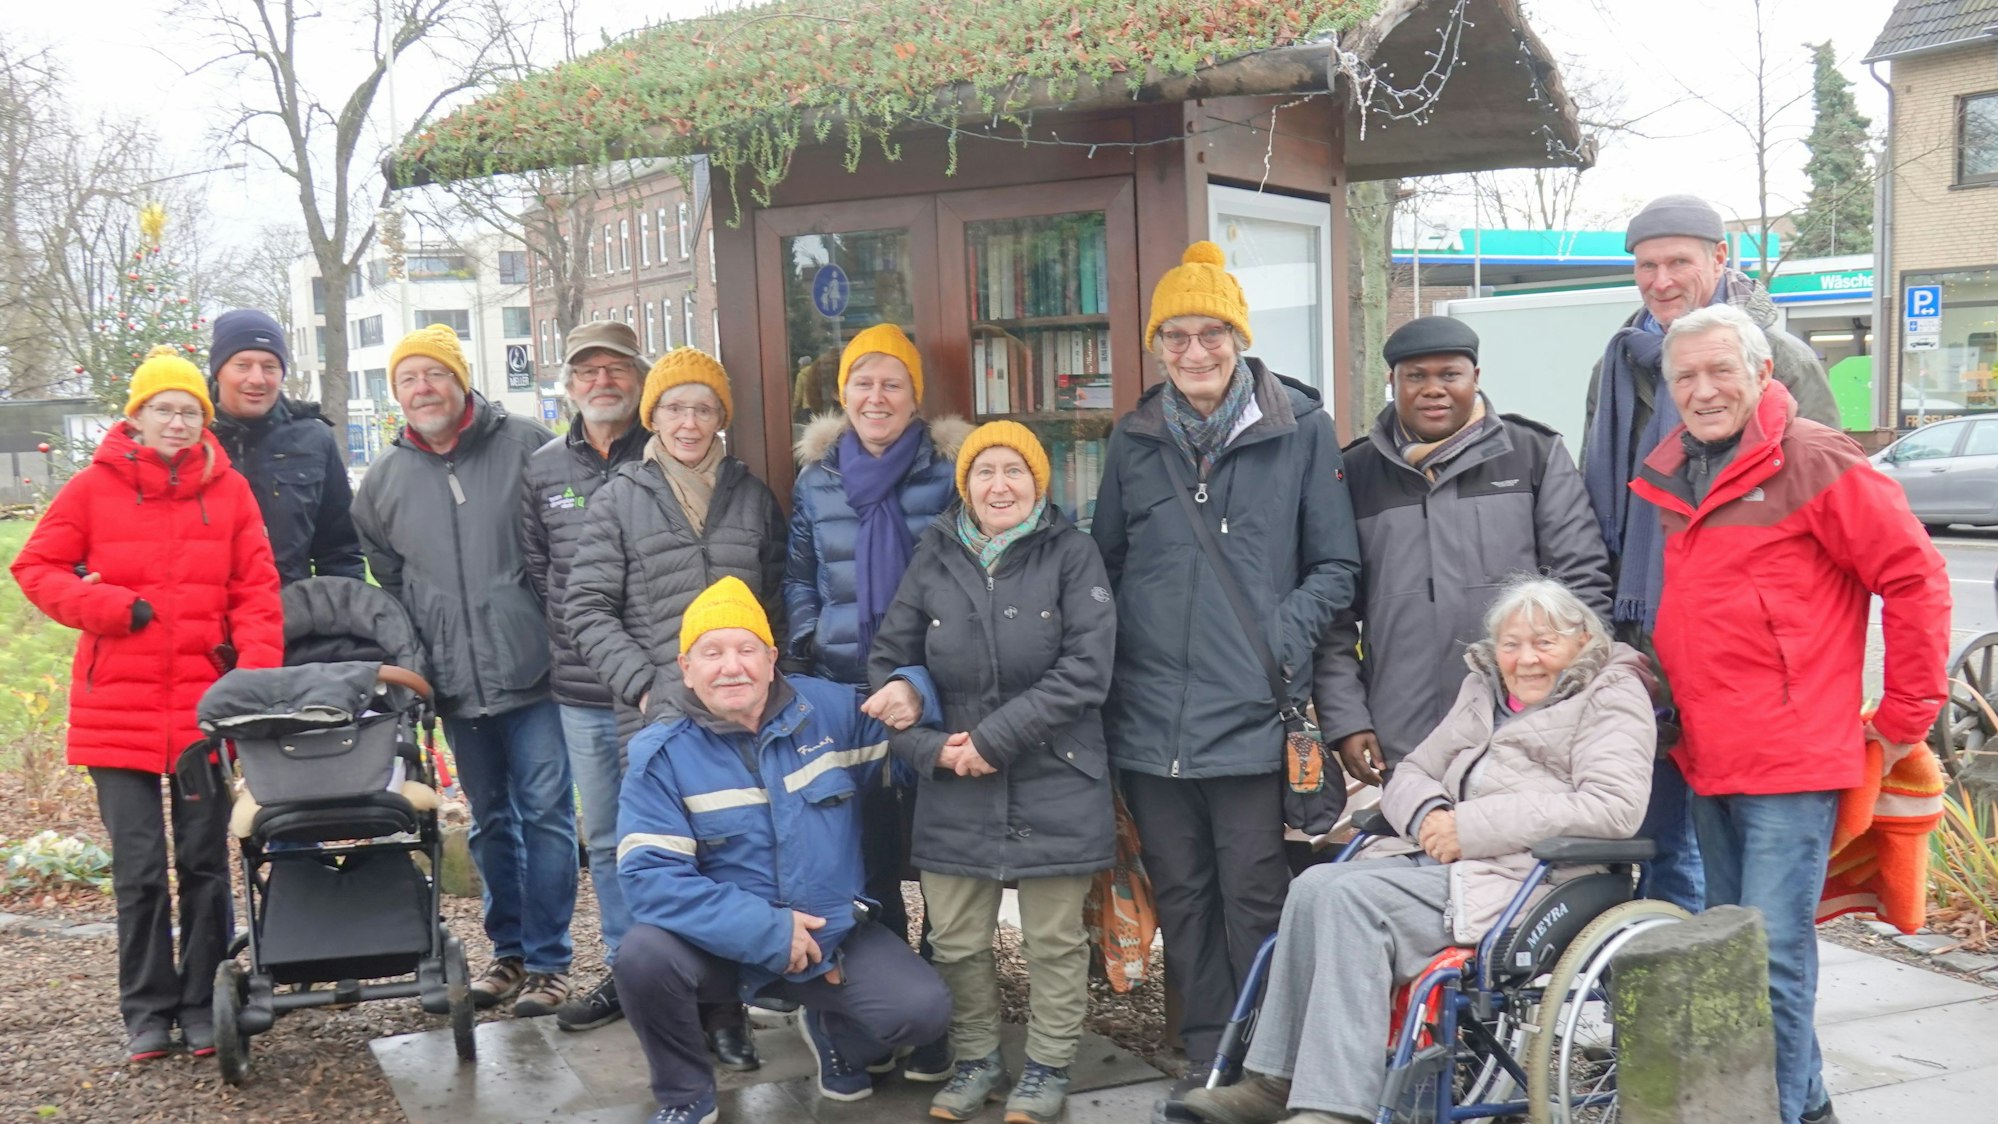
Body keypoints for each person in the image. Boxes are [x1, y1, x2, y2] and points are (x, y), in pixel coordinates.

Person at [1627, 303, 1949, 1124]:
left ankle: (1794, 1115)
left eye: (1720, 371)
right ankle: (1800, 1105)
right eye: (1685, 376)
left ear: (1763, 374)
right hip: (1706, 755)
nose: (1703, 391)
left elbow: (1914, 576)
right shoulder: (1676, 470)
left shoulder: (1812, 458)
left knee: (1771, 962)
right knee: (1736, 962)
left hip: (1791, 762)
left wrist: (1908, 711)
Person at [1183, 578, 1655, 1124]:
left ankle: (1333, 1109)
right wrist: (1431, 815)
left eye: (1544, 643)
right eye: (1511, 644)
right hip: (1447, 863)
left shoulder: (1612, 693)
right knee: (1313, 886)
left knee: (1352, 903)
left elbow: (1612, 807)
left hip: (1538, 876)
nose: (1526, 659)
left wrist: (1469, 826)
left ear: (1582, 641)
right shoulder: (1483, 690)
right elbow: (1413, 771)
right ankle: (1276, 1081)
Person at [1092, 241, 1361, 1099]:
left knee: (1253, 894)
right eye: (1176, 336)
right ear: (1157, 345)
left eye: (1211, 333)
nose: (1195, 351)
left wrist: (1283, 635)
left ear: (1239, 338)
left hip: (1252, 712)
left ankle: (1268, 1058)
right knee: (1184, 895)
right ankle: (1209, 1053)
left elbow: (1336, 567)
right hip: (1150, 721)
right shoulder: (1133, 440)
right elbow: (1107, 562)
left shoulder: (1301, 432)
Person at [12, 346, 284, 1062]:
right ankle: (146, 1008)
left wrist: (250, 682)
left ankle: (202, 1002)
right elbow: (34, 566)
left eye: (189, 410)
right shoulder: (93, 488)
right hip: (117, 712)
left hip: (203, 712)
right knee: (137, 868)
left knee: (202, 862)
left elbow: (255, 592)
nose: (177, 421)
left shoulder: (229, 493)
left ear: (204, 419)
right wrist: (105, 605)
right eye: (163, 408)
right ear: (136, 416)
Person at [1580, 194, 1840, 914]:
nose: (1661, 280)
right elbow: (1596, 497)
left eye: (1679, 262)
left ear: (1721, 260)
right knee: (1649, 826)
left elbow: (1827, 503)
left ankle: (1698, 1001)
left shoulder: (1777, 359)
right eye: (1646, 266)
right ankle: (1653, 994)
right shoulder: (1622, 359)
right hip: (1639, 633)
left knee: (1708, 849)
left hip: (1741, 645)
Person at [614, 576, 953, 1124]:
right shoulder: (660, 754)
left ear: (771, 657)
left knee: (923, 1013)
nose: (732, 667)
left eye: (746, 649)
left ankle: (832, 1028)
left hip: (827, 938)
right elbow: (651, 878)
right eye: (713, 653)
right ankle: (686, 1096)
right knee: (643, 957)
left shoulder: (831, 712)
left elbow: (908, 736)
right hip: (719, 948)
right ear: (686, 667)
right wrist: (768, 932)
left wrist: (916, 688)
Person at [865, 421, 1116, 1124]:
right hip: (954, 777)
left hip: (1057, 772)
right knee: (956, 937)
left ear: (1038, 482)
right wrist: (931, 749)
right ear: (965, 485)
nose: (999, 485)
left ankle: (1046, 1067)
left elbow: (1085, 673)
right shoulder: (934, 555)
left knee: (1055, 939)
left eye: (1014, 471)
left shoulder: (1073, 553)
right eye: (984, 472)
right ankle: (976, 1059)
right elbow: (888, 665)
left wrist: (994, 741)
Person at [563, 344, 786, 1057]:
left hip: (742, 716)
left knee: (735, 859)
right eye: (673, 407)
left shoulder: (751, 496)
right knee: (666, 863)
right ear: (652, 414)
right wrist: (645, 683)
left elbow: (777, 601)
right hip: (658, 716)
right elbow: (588, 608)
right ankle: (666, 1010)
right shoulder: (620, 498)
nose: (688, 422)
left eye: (702, 407)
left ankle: (726, 1012)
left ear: (721, 416)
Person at [351, 323, 578, 1018]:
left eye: (435, 375)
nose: (424, 389)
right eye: (408, 380)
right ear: (397, 395)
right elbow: (386, 577)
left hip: (533, 670)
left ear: (461, 379)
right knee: (488, 820)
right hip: (451, 679)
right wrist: (419, 657)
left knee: (545, 815)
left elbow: (567, 528)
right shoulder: (385, 480)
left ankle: (548, 962)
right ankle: (507, 956)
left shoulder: (526, 443)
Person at [783, 321, 968, 1080]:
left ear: (913, 396)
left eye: (893, 382)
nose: (877, 395)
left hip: (932, 696)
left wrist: (927, 674)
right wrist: (810, 637)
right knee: (864, 864)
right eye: (864, 381)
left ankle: (936, 1012)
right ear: (843, 393)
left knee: (943, 858)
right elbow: (798, 573)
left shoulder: (949, 472)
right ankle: (873, 1009)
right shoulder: (817, 479)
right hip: (842, 698)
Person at [1315, 317, 1611, 783]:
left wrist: (1577, 698)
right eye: (1416, 376)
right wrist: (1347, 719)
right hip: (1405, 730)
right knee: (1415, 851)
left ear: (1476, 377)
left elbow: (1582, 588)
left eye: (1449, 374)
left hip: (1526, 722)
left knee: (1516, 853)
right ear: (1393, 382)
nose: (1433, 389)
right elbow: (1331, 614)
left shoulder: (1532, 454)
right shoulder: (1353, 473)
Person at [520, 320, 650, 1032]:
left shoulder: (666, 451)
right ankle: (630, 969)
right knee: (603, 835)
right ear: (569, 385)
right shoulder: (543, 469)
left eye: (616, 369)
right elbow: (542, 573)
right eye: (587, 371)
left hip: (660, 689)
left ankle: (688, 968)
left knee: (677, 829)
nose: (603, 382)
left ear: (638, 377)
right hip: (582, 694)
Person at [207, 308, 365, 585]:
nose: (257, 379)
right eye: (242, 365)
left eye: (270, 367)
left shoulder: (313, 439)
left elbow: (340, 552)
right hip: (205, 620)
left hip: (291, 618)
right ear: (218, 371)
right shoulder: (188, 437)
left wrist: (342, 619)